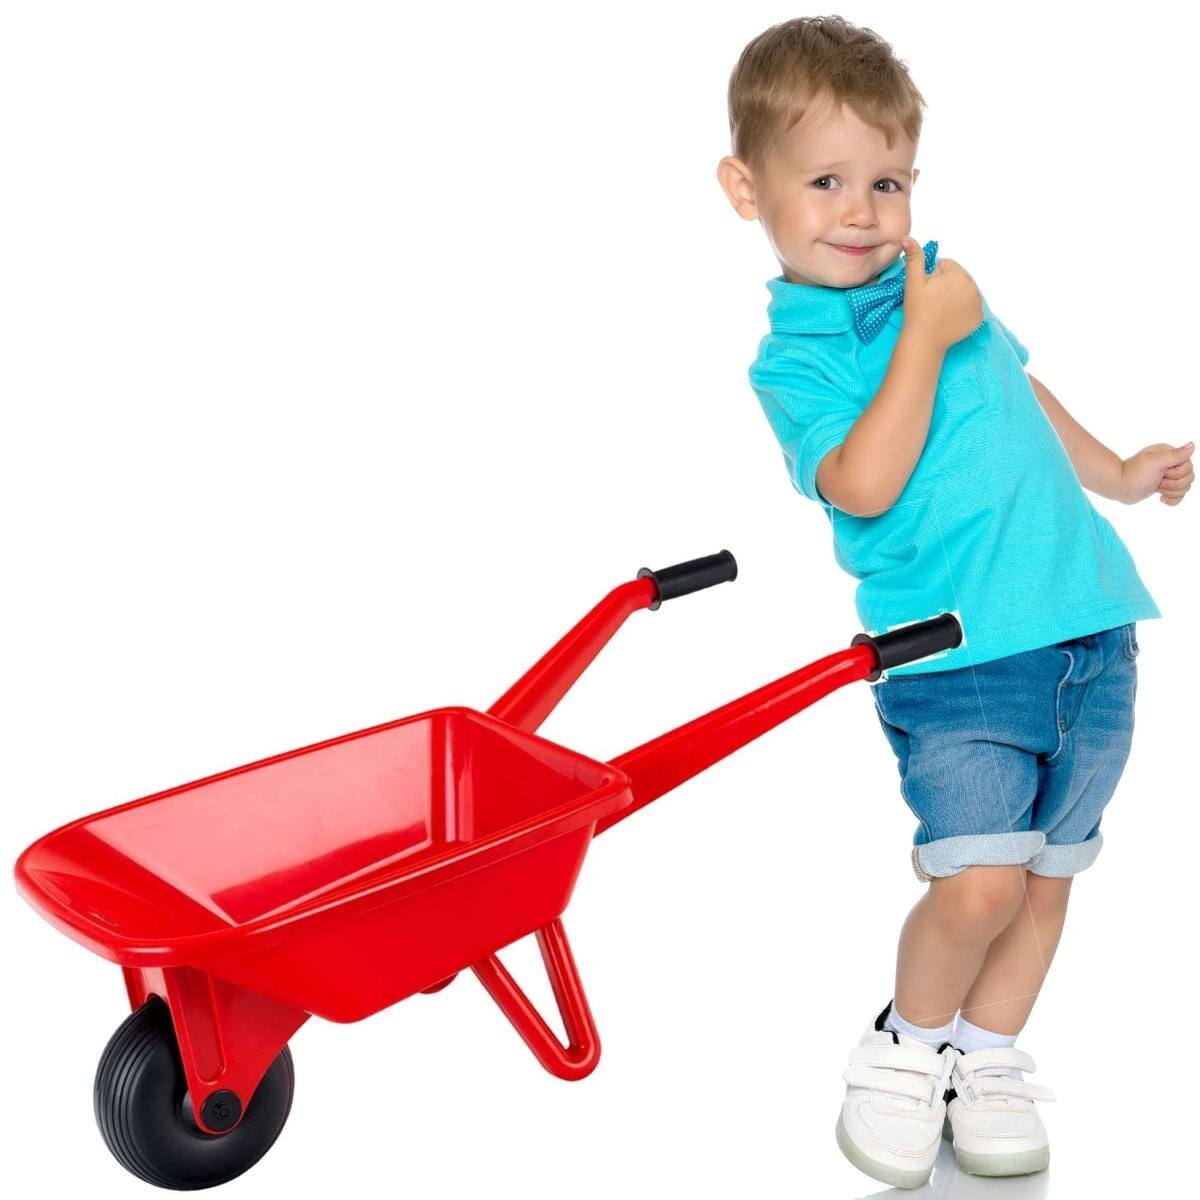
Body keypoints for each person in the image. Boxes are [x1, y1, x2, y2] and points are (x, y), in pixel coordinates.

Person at [715, 14, 1194, 1190]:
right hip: (960, 658)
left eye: (887, 182)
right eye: (825, 181)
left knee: (1044, 885)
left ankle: (984, 1056)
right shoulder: (798, 361)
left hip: (1090, 633)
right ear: (747, 188)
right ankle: (907, 1045)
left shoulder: (939, 290)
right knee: (976, 883)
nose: (862, 212)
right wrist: (925, 334)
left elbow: (1017, 391)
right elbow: (865, 484)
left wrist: (1118, 473)